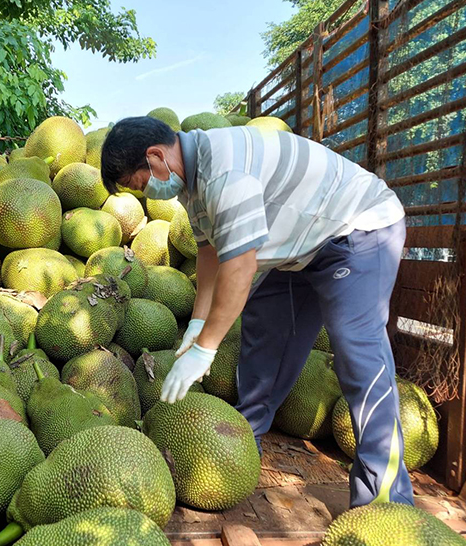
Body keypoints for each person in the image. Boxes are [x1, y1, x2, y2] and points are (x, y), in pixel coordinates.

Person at [100, 116, 412, 508]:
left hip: (359, 229)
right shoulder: (192, 185)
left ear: (155, 157)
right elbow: (210, 252)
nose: (149, 194)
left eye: (141, 184)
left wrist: (206, 348)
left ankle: (385, 499)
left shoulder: (223, 170)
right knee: (265, 329)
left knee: (357, 351)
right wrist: (198, 323)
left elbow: (242, 265)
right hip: (302, 247)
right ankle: (242, 443)